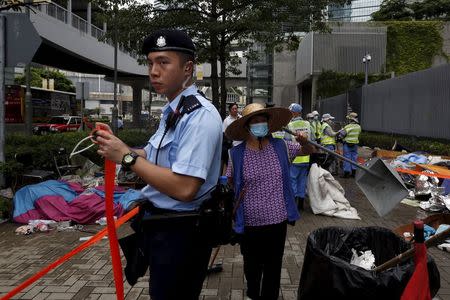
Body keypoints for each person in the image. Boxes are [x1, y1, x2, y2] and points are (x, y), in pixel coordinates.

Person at [95, 29, 222, 300]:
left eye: (163, 62)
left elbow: (186, 187)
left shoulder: (199, 117)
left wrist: (126, 158)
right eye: (151, 62)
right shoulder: (174, 111)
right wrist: (117, 146)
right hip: (163, 228)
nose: (154, 71)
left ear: (187, 68)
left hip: (183, 233)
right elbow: (150, 155)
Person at [225, 103, 314, 300]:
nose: (259, 124)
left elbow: (307, 151)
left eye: (263, 120)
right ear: (247, 126)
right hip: (249, 224)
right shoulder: (236, 154)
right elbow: (231, 182)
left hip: (277, 221)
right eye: (255, 121)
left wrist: (305, 142)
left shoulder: (281, 146)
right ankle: (253, 294)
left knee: (273, 269)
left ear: (268, 122)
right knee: (252, 268)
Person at [287, 103, 311, 210]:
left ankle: (294, 204)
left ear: (294, 113)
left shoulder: (290, 125)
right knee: (302, 180)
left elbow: (286, 141)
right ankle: (301, 204)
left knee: (293, 181)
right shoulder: (307, 124)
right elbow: (313, 140)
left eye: (291, 112)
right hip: (306, 157)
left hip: (295, 158)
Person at [339, 112, 362, 178]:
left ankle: (346, 173)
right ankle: (353, 172)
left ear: (350, 120)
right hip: (355, 145)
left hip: (347, 145)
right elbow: (358, 134)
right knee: (354, 158)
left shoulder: (347, 127)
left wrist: (340, 136)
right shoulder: (359, 127)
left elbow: (341, 135)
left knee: (347, 158)